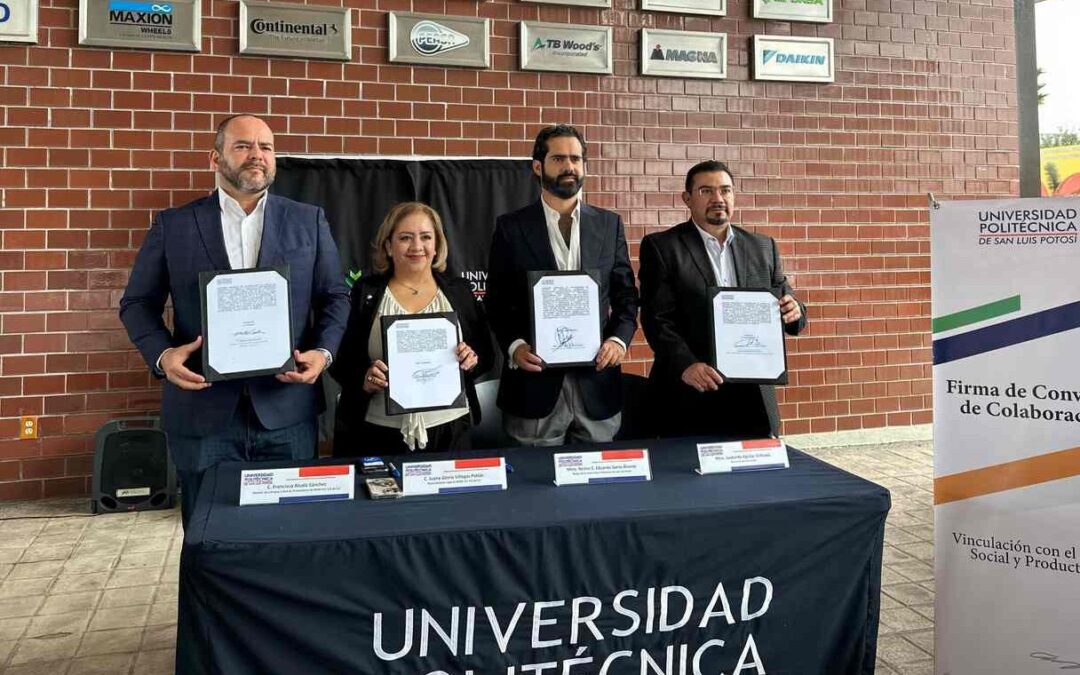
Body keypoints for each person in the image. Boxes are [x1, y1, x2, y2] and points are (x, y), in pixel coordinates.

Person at [119, 114, 350, 527]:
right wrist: (163, 356)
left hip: (286, 411)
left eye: (266, 147)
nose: (257, 155)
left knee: (288, 534)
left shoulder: (307, 220)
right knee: (209, 537)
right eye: (243, 146)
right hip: (202, 413)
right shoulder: (174, 225)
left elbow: (335, 296)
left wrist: (323, 352)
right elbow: (137, 303)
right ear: (215, 158)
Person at [486, 124, 639, 446]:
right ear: (538, 166)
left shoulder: (609, 224)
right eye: (558, 159)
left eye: (576, 159)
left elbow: (626, 296)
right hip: (533, 384)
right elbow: (497, 302)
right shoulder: (511, 227)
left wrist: (618, 341)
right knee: (533, 476)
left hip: (597, 384)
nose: (569, 166)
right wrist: (515, 347)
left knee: (598, 475)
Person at [639, 160, 807, 439]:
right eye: (706, 191)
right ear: (687, 199)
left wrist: (795, 310)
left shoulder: (763, 247)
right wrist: (686, 364)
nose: (718, 198)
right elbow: (657, 319)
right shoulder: (663, 247)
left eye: (725, 190)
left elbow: (788, 302)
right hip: (690, 390)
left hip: (752, 397)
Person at [330, 202, 493, 456]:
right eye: (405, 237)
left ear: (437, 245)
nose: (417, 246)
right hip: (377, 431)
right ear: (388, 246)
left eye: (426, 237)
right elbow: (339, 358)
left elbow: (485, 354)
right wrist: (364, 377)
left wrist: (471, 360)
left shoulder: (460, 291)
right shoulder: (365, 292)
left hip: (450, 429)